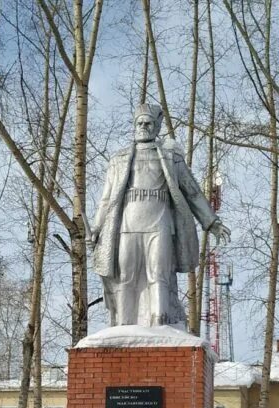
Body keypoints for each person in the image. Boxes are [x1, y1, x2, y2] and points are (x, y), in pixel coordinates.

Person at [89, 102, 230, 326]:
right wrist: (96, 227)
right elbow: (106, 199)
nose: (144, 126)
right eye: (140, 123)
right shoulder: (119, 159)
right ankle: (124, 325)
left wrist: (211, 222)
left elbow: (192, 192)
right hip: (127, 225)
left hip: (160, 224)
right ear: (134, 126)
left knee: (159, 273)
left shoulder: (171, 158)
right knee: (126, 276)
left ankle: (160, 323)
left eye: (148, 123)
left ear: (156, 128)